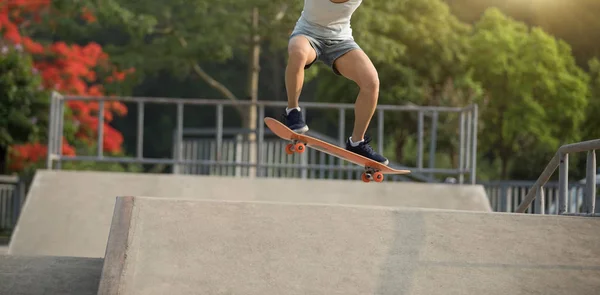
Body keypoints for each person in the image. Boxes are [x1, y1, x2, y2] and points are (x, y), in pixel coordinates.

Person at [283, 0, 388, 165]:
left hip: (341, 41)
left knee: (372, 82)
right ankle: (292, 111)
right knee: (298, 53)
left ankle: (356, 142)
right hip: (307, 34)